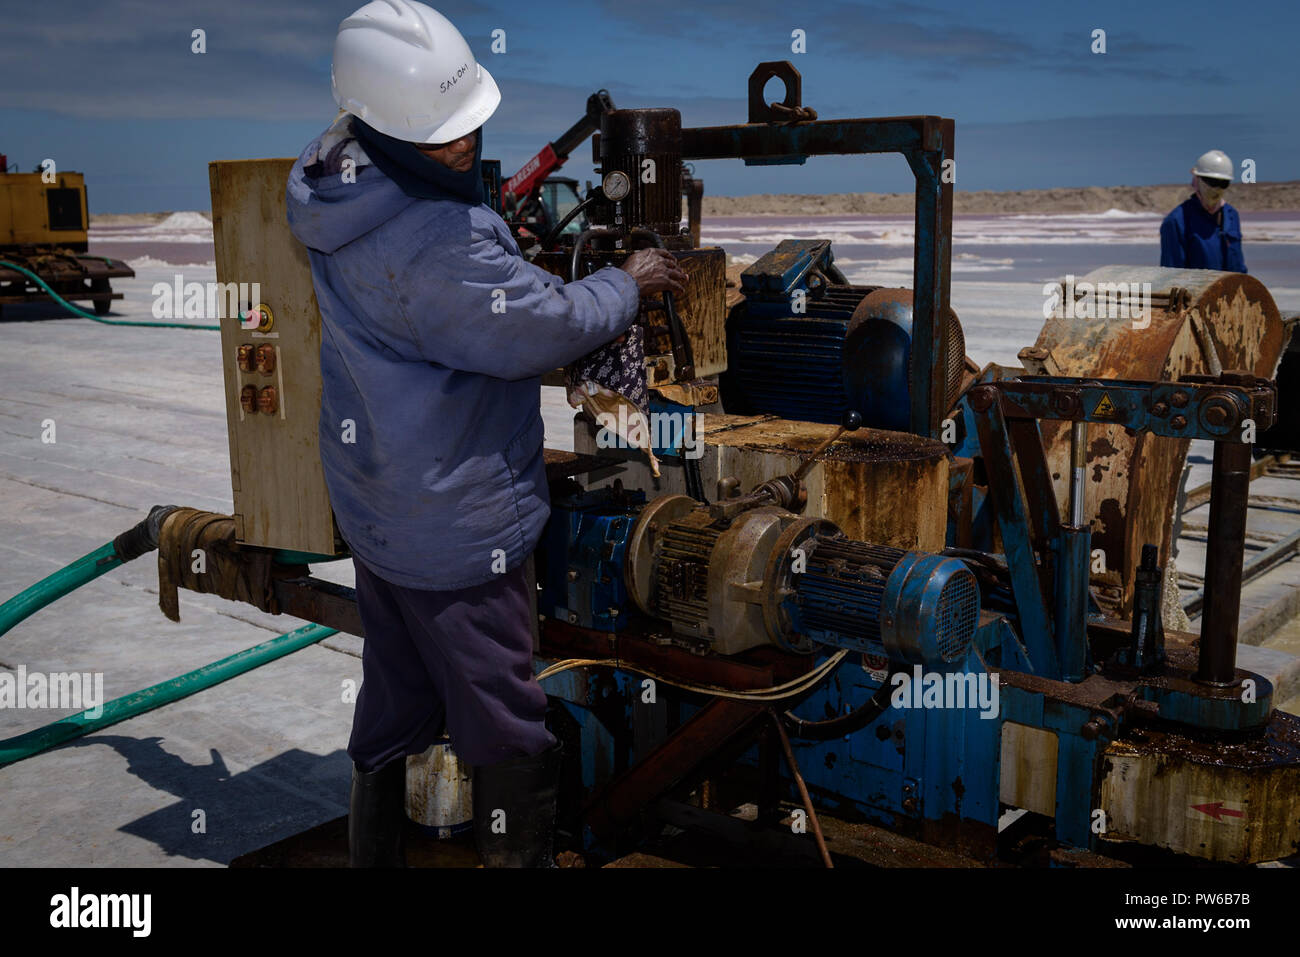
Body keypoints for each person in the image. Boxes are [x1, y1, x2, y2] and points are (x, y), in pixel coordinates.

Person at [285, 0, 687, 868]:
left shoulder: (328, 176)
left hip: (380, 503)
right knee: (505, 723)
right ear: (387, 124)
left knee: (395, 698)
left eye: (467, 126)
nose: (462, 146)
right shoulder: (439, 242)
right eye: (441, 136)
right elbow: (540, 327)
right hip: (458, 527)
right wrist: (630, 281)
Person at [1159, 149, 1247, 273]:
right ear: (1197, 180)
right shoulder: (1176, 221)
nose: (1216, 188)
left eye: (1223, 183)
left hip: (1229, 291)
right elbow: (1171, 277)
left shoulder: (1231, 216)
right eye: (1211, 182)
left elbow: (1238, 267)